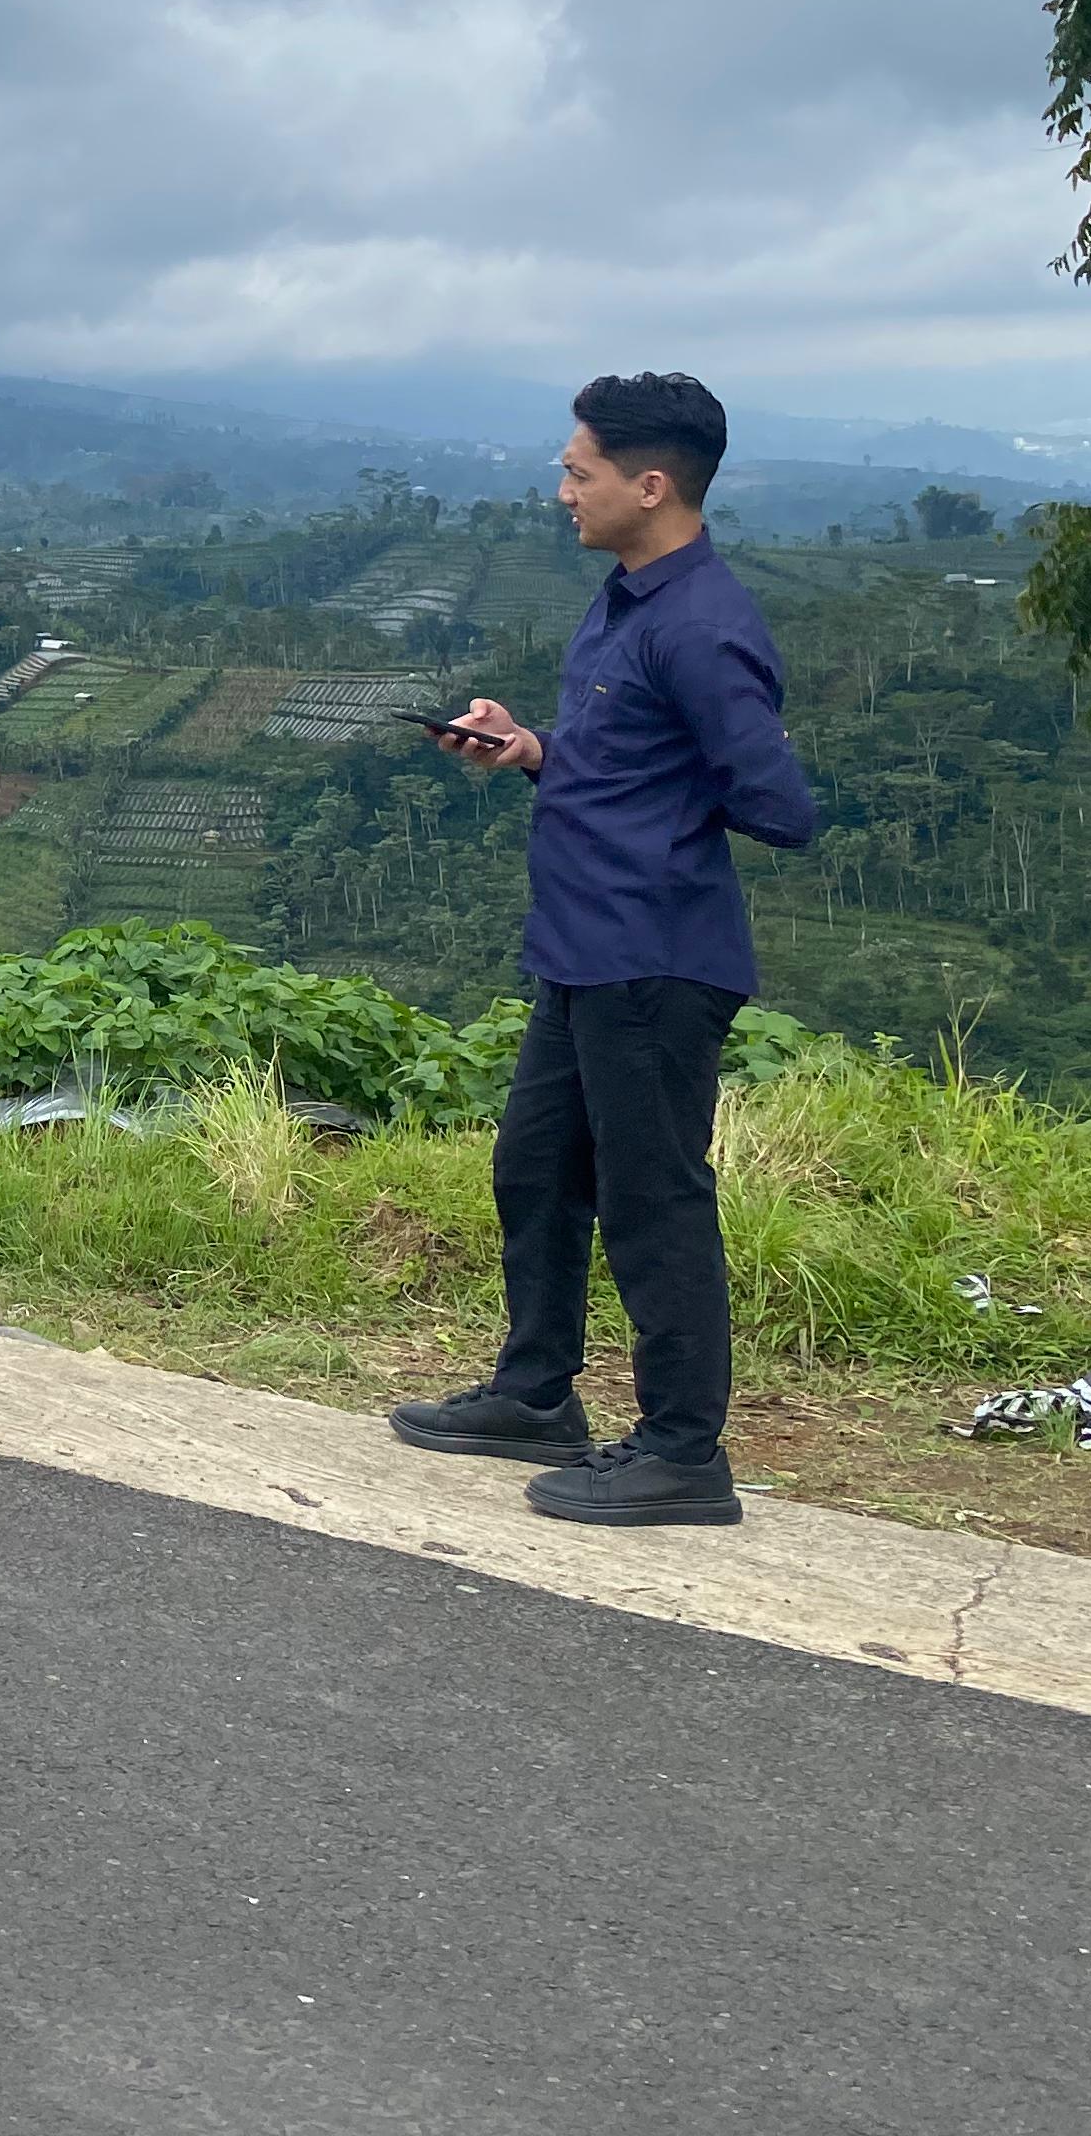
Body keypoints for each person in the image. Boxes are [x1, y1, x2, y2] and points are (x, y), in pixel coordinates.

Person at [388, 373, 816, 1527]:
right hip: (583, 954)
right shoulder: (626, 601)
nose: (563, 490)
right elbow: (627, 756)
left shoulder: (702, 625)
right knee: (534, 1171)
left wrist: (663, 803)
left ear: (652, 484)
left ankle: (682, 1451)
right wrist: (532, 749)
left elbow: (777, 804)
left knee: (652, 1200)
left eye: (579, 472)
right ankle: (536, 1395)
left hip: (654, 961)